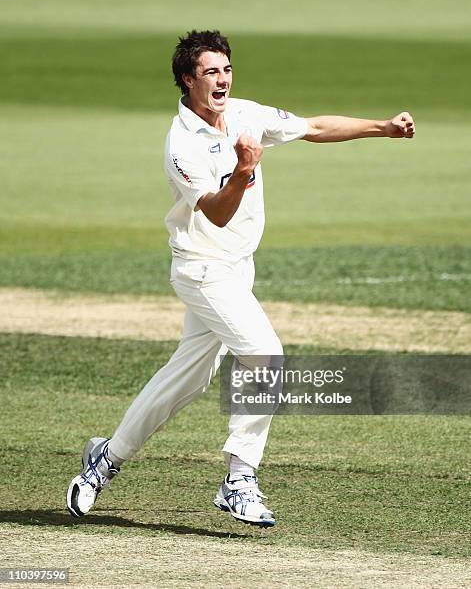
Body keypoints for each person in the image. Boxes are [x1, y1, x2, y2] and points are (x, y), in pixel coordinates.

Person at [66, 29, 415, 527]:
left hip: (236, 269)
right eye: (211, 72)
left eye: (226, 69)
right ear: (188, 80)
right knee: (265, 354)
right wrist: (245, 171)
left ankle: (105, 459)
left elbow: (313, 126)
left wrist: (381, 127)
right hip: (202, 269)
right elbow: (216, 214)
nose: (223, 79)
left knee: (184, 379)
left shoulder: (245, 113)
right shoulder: (182, 144)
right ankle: (239, 478)